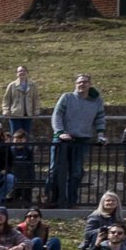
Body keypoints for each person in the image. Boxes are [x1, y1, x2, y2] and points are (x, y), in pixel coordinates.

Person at [51, 73, 106, 208]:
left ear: (89, 84)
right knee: (55, 171)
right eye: (79, 82)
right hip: (62, 140)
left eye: (85, 82)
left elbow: (100, 119)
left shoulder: (97, 101)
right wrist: (60, 132)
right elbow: (57, 115)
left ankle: (71, 202)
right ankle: (53, 200)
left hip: (81, 140)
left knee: (76, 172)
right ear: (75, 84)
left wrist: (100, 135)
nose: (82, 84)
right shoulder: (67, 97)